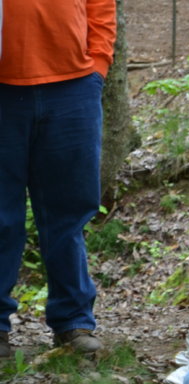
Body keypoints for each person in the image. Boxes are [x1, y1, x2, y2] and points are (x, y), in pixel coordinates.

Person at [0, 0, 116, 358]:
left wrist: (98, 65)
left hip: (73, 89)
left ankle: (73, 321)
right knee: (1, 216)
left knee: (68, 215)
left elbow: (102, 6)